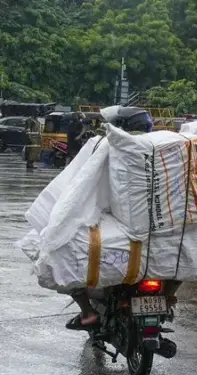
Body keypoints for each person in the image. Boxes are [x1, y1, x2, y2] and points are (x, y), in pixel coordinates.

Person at [65, 107, 156, 330]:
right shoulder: (160, 147)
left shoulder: (107, 147)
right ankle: (169, 297)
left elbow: (82, 184)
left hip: (122, 226)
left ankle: (87, 313)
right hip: (159, 230)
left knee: (62, 253)